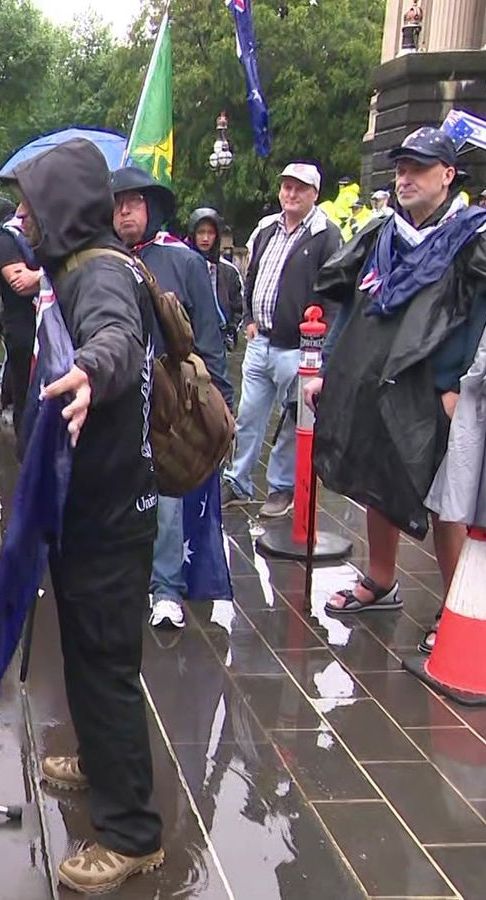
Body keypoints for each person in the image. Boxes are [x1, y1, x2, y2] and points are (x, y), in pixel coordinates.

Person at [1, 137, 164, 894]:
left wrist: (92, 371)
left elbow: (117, 341)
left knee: (106, 670)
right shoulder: (84, 264)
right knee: (93, 662)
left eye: (31, 204)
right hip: (95, 507)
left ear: (61, 208)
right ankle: (100, 764)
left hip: (107, 518)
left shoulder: (98, 273)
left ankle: (131, 834)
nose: (22, 217)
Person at [308, 125, 486, 656]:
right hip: (378, 381)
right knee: (380, 475)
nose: (405, 178)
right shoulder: (384, 234)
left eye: (418, 168)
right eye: (400, 168)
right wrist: (331, 368)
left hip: (440, 388)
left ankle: (457, 606)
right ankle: (381, 579)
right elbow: (350, 305)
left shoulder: (479, 235)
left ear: (448, 175)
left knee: (446, 497)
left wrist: (459, 385)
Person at [111, 167, 234, 631]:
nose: (124, 210)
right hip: (116, 399)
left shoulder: (182, 262)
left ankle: (166, 589)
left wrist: (220, 401)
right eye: (117, 203)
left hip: (168, 406)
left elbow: (207, 335)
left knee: (166, 500)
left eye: (134, 201)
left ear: (151, 206)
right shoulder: (102, 260)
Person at [226, 161, 342, 518]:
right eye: (287, 187)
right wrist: (247, 317)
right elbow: (253, 275)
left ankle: (280, 487)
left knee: (293, 421)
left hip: (299, 346)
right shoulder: (266, 229)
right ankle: (237, 481)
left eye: (300, 189)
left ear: (314, 194)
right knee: (248, 415)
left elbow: (335, 292)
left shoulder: (326, 234)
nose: (291, 194)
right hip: (260, 340)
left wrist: (319, 345)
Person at [0, 195, 42, 450]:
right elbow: (20, 283)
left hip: (53, 332)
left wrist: (40, 276)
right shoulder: (8, 240)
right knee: (26, 398)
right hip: (23, 330)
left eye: (26, 205)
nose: (20, 213)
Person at [186, 207, 246, 342]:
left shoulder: (229, 271)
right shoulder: (182, 267)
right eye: (201, 232)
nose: (205, 238)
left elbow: (239, 308)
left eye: (210, 233)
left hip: (219, 339)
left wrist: (231, 330)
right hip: (190, 339)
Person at [318, 177, 364, 241]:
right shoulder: (342, 194)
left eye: (340, 185)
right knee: (326, 204)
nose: (339, 187)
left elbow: (354, 209)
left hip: (343, 220)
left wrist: (347, 221)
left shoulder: (351, 194)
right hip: (336, 218)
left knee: (326, 204)